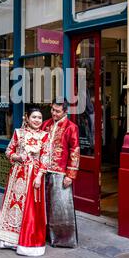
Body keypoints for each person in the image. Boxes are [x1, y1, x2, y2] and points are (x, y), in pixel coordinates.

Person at [0, 106, 49, 256]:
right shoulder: (19, 133)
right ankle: (10, 240)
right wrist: (17, 157)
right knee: (14, 206)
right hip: (17, 175)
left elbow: (45, 158)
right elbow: (8, 151)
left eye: (39, 118)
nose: (37, 120)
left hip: (34, 176)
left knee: (31, 209)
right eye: (34, 117)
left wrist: (39, 177)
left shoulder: (45, 136)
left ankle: (28, 242)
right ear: (27, 118)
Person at [42, 98, 80, 248]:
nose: (54, 113)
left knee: (61, 207)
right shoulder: (46, 124)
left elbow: (75, 151)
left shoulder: (71, 127)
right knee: (45, 205)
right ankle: (45, 235)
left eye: (57, 111)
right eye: (52, 110)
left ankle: (63, 239)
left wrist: (70, 175)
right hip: (44, 170)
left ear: (65, 111)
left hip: (61, 173)